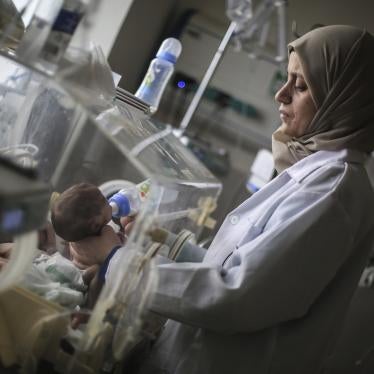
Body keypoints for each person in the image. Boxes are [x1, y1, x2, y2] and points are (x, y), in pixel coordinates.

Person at [72, 25, 374, 374]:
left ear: (343, 100)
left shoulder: (331, 192)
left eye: (301, 85)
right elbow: (245, 269)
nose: (281, 94)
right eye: (286, 79)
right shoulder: (315, 174)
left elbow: (236, 297)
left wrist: (116, 261)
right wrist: (164, 243)